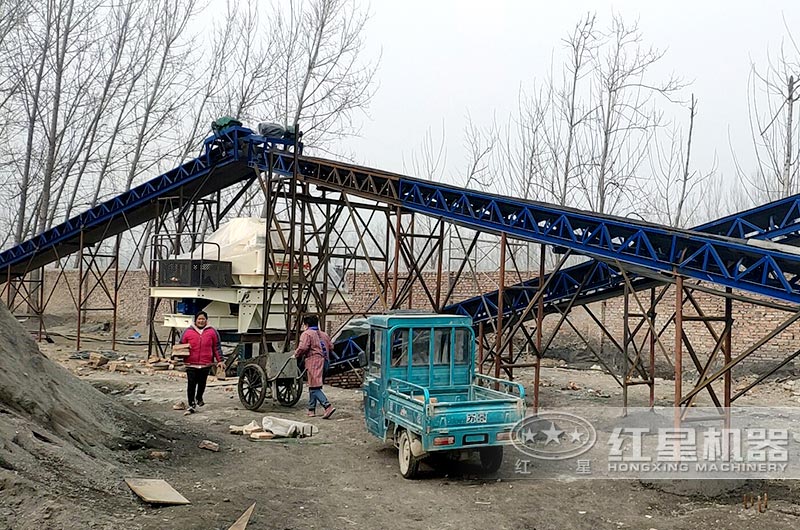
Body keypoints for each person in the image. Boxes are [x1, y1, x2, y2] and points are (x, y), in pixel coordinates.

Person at [179, 311, 224, 415]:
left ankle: (199, 397)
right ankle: (191, 404)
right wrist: (179, 354)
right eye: (199, 319)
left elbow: (216, 347)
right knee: (191, 384)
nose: (201, 321)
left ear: (206, 320)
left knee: (202, 383)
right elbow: (180, 345)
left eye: (203, 319)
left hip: (205, 363)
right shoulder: (188, 332)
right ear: (195, 320)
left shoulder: (212, 332)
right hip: (191, 363)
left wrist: (220, 360)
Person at [294, 314, 335, 419]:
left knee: (314, 387)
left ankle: (327, 406)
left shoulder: (306, 334)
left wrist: (295, 355)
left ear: (306, 324)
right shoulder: (324, 334)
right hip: (325, 361)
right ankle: (311, 410)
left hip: (314, 362)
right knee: (314, 385)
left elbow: (303, 347)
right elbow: (331, 346)